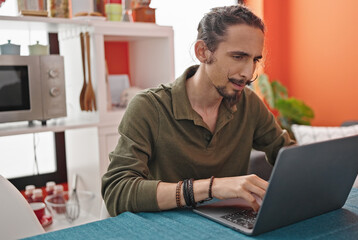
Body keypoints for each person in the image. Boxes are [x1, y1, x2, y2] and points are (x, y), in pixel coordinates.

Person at [102, 4, 294, 217]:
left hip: (228, 228)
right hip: (166, 229)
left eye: (255, 60)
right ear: (202, 52)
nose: (248, 73)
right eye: (238, 57)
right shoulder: (149, 107)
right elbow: (116, 192)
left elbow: (288, 156)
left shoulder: (249, 104)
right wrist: (211, 188)